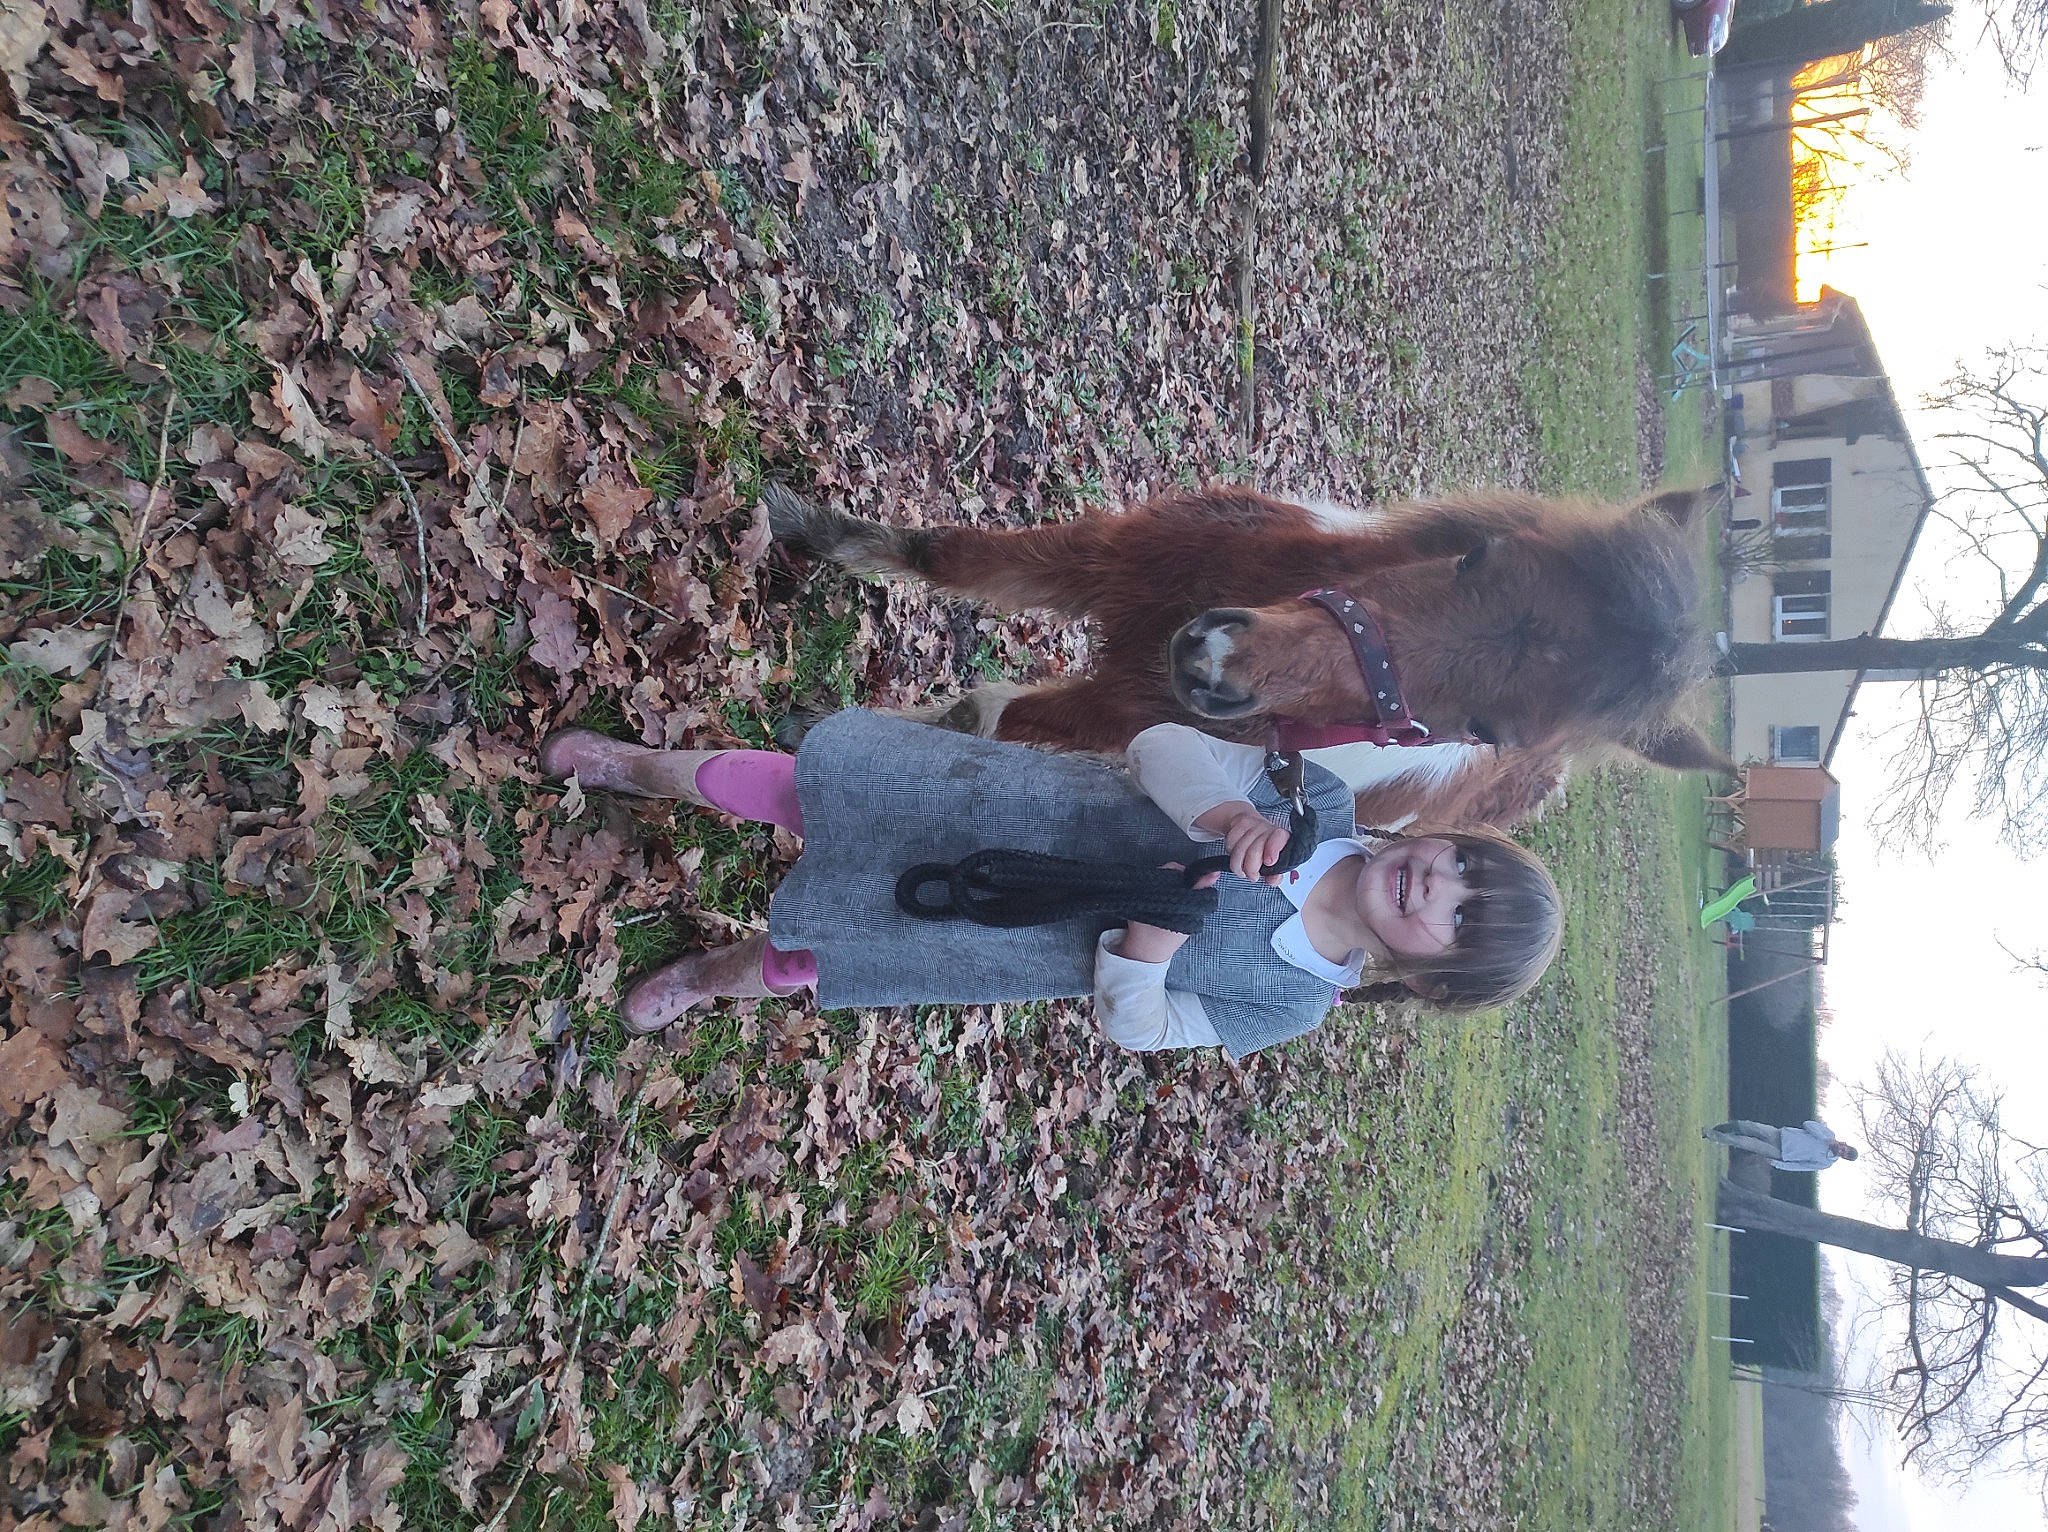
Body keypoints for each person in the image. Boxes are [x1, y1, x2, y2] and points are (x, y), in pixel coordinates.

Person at [539, 710, 1564, 1058]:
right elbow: (1158, 743)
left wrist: (1144, 955)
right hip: (999, 812)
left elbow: (1146, 1027)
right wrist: (1219, 812)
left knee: (827, 948)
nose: (1438, 882)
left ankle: (707, 977)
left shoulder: (1291, 1000)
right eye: (1462, 862)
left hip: (1001, 931)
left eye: (1459, 917)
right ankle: (643, 768)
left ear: (1433, 978)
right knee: (801, 787)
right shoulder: (1316, 807)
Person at [1703, 1117, 1859, 1170]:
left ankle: (1708, 1134)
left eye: (1844, 1154)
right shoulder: (1829, 1135)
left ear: (1842, 1157)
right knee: (1746, 1126)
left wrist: (1777, 1164)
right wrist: (1826, 1139)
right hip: (1779, 1134)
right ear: (1845, 1144)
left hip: (1779, 1153)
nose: (1842, 1151)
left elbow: (1800, 1167)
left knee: (1742, 1142)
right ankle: (1718, 1130)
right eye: (1845, 1149)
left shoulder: (1825, 1163)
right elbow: (1807, 1124)